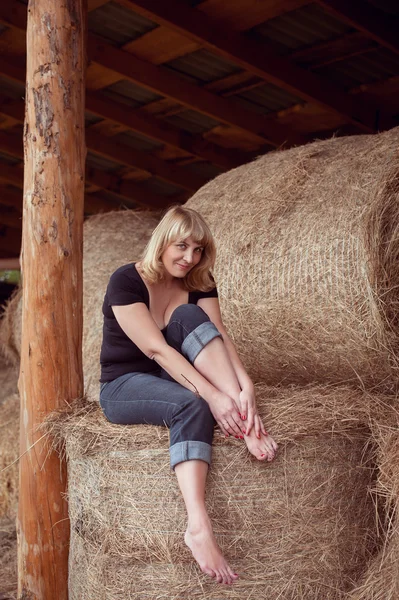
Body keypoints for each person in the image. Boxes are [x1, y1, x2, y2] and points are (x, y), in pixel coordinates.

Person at [99, 205, 278, 585]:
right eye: (182, 246)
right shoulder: (127, 280)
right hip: (126, 383)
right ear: (162, 242)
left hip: (174, 374)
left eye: (198, 249)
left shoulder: (198, 280)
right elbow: (156, 351)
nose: (189, 257)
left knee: (192, 318)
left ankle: (244, 423)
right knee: (191, 403)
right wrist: (213, 397)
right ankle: (198, 526)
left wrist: (244, 389)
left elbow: (220, 334)